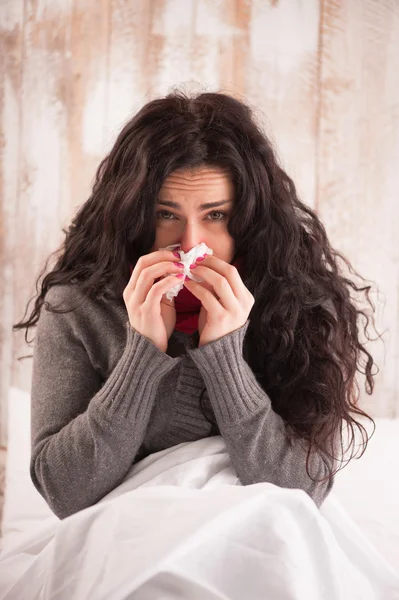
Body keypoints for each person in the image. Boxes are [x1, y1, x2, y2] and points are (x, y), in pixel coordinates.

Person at [13, 90, 379, 520]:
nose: (190, 245)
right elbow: (63, 492)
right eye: (166, 214)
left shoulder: (301, 300)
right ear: (132, 214)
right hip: (126, 537)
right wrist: (142, 354)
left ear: (250, 219)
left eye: (215, 216)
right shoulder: (77, 307)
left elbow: (301, 492)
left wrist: (225, 355)